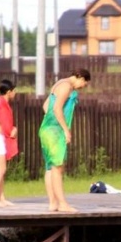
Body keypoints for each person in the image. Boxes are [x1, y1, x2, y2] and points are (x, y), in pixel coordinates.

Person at [39, 68, 91, 212]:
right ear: (80, 78)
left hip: (47, 129)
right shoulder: (66, 86)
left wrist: (51, 122)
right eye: (84, 84)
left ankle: (53, 203)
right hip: (55, 132)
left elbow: (46, 106)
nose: (82, 88)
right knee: (57, 167)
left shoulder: (59, 84)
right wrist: (65, 129)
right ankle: (62, 204)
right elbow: (57, 109)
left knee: (50, 167)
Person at [0, 79, 18, 207]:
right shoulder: (1, 103)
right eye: (14, 91)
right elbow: (3, 122)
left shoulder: (3, 103)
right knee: (1, 169)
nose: (15, 93)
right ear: (8, 92)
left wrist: (13, 129)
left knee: (1, 169)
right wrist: (12, 131)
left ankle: (1, 197)